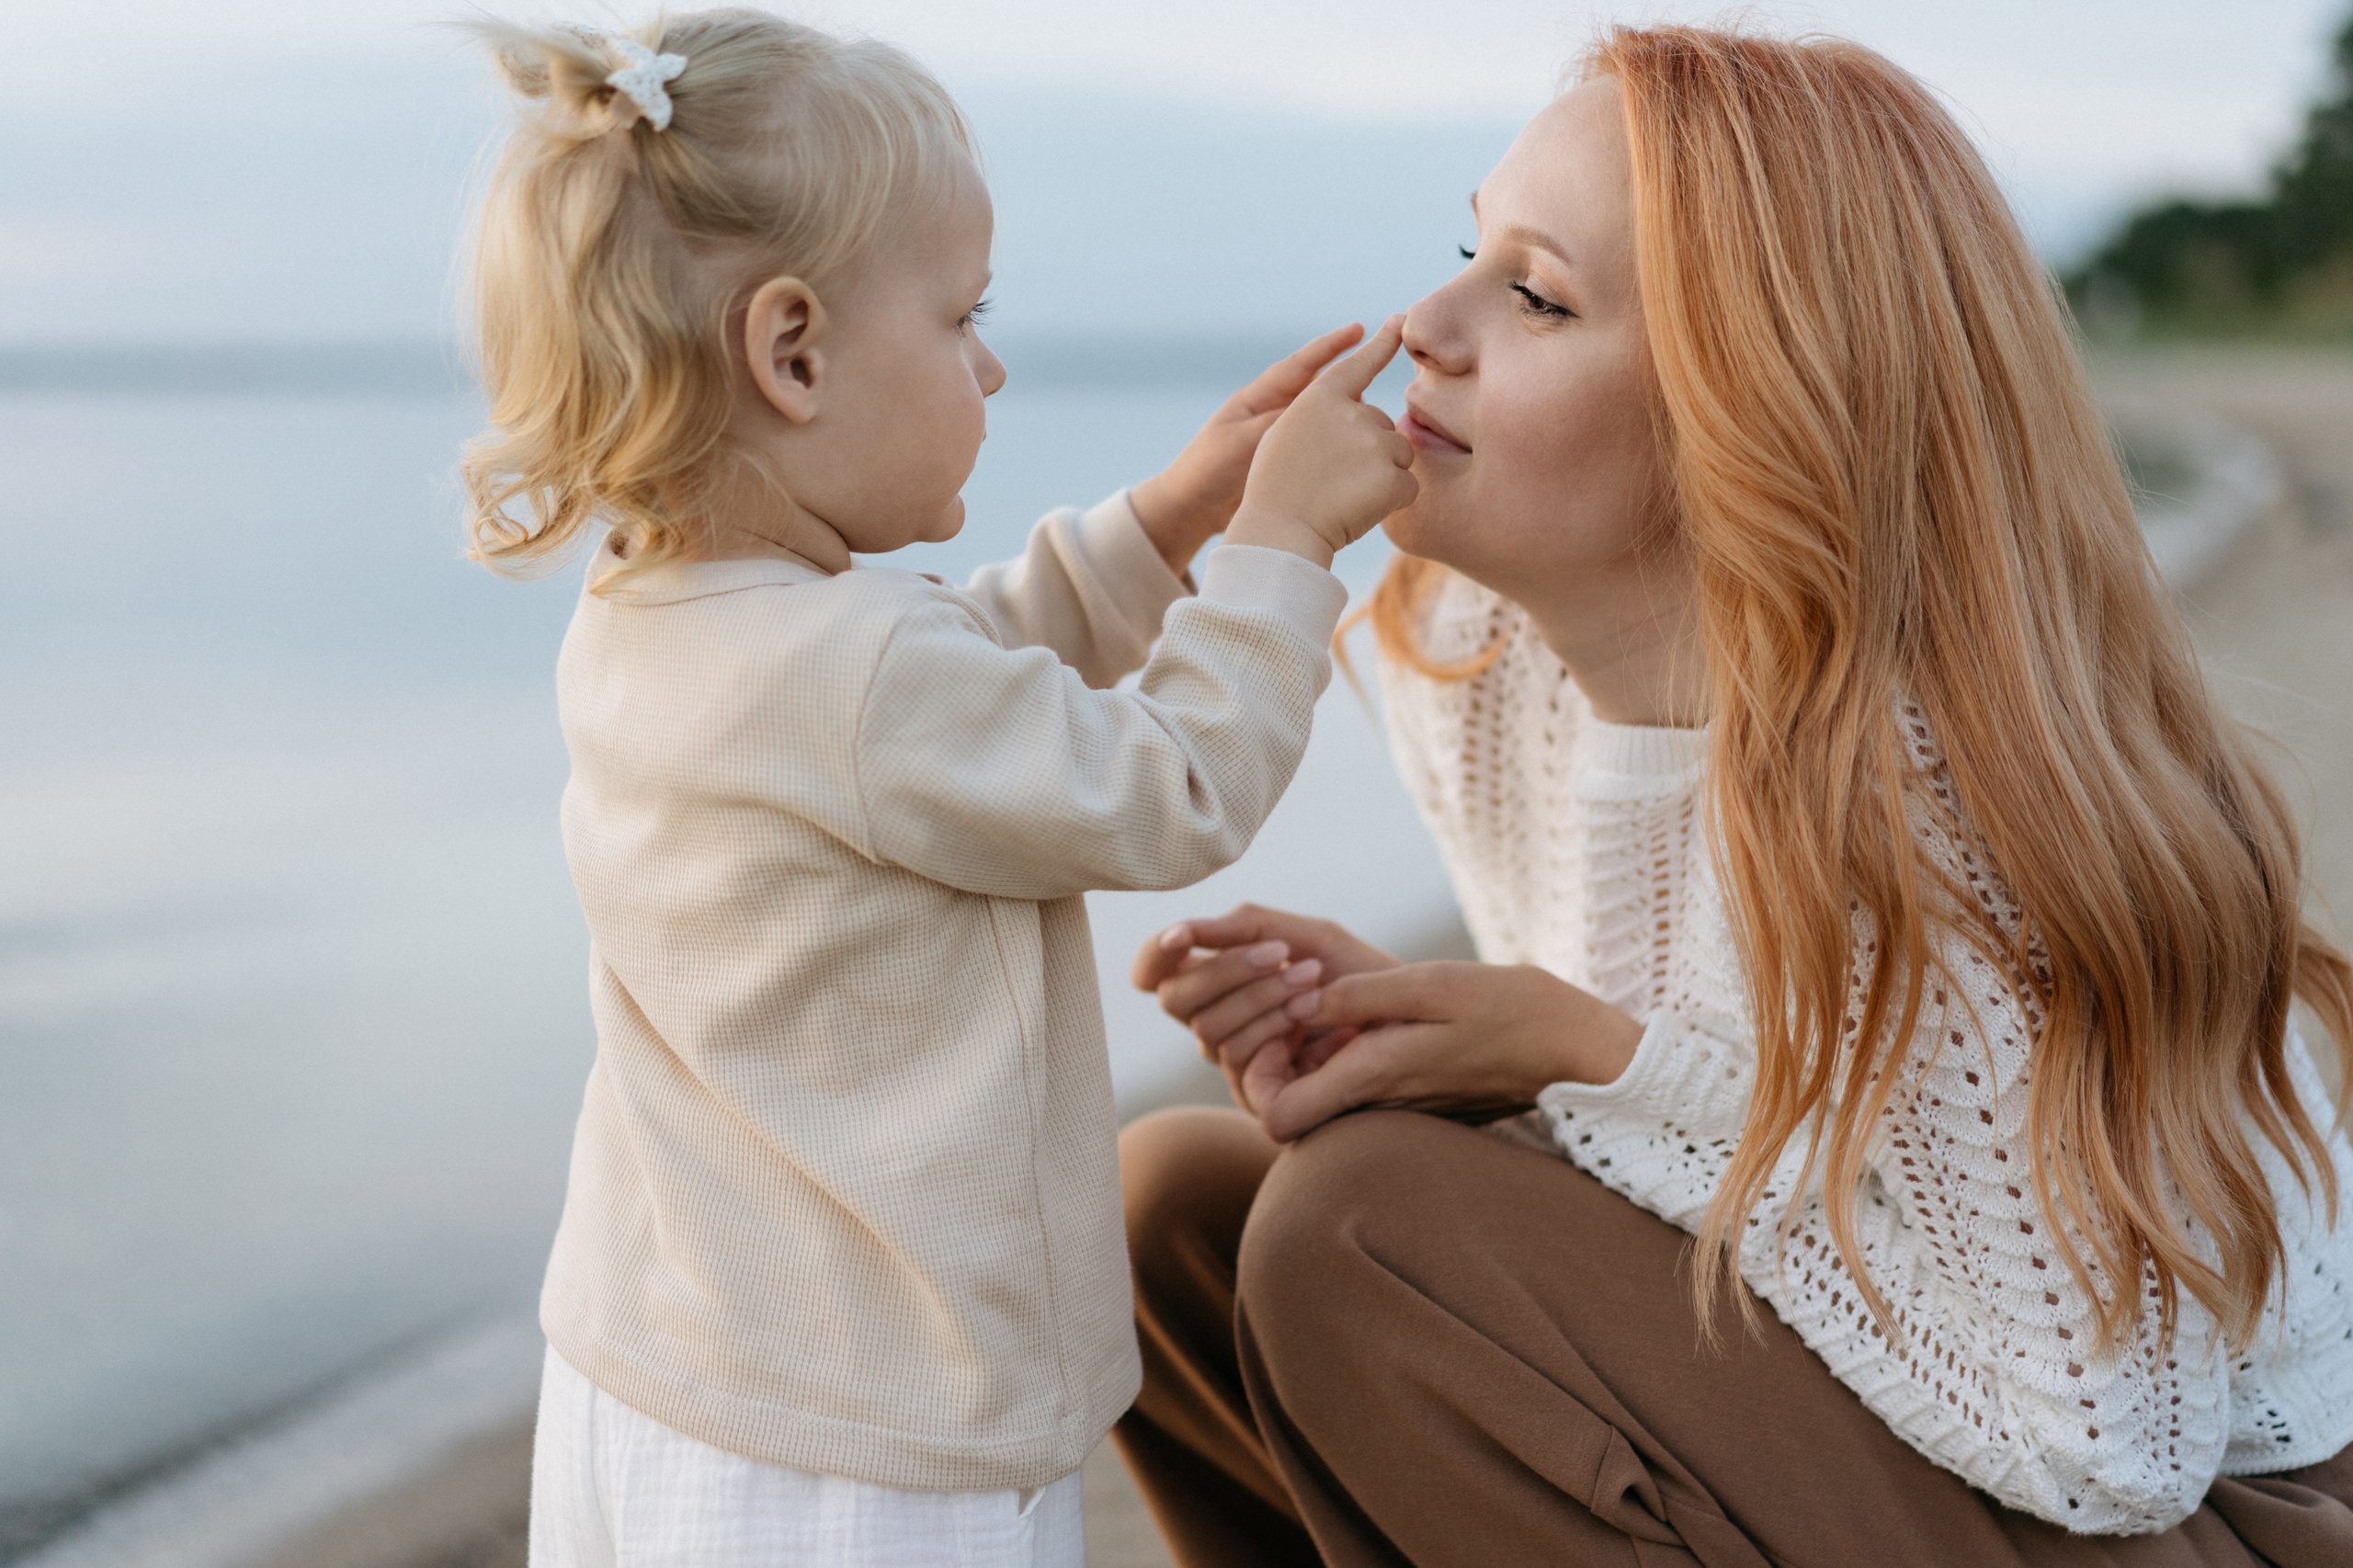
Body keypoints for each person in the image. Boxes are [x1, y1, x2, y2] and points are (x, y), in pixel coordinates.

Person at [1119, 24, 2353, 1567]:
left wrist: (1580, 1056)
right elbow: (1694, 1109)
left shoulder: (1939, 804)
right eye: (1465, 248)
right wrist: (1467, 1045)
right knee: (1171, 1204)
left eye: (1538, 294)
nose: (1422, 324)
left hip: (2195, 1508)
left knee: (1354, 1230)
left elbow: (2112, 1440)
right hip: (1898, 1402)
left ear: (1748, 418)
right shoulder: (1471, 663)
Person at [453, 12, 1415, 1565]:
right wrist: (1280, 551)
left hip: (658, 1376)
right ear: (794, 352)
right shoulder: (853, 677)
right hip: (861, 1454)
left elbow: (944, 674)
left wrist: (1168, 518)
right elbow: (1158, 786)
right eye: (961, 318)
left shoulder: (660, 614)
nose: (993, 362)